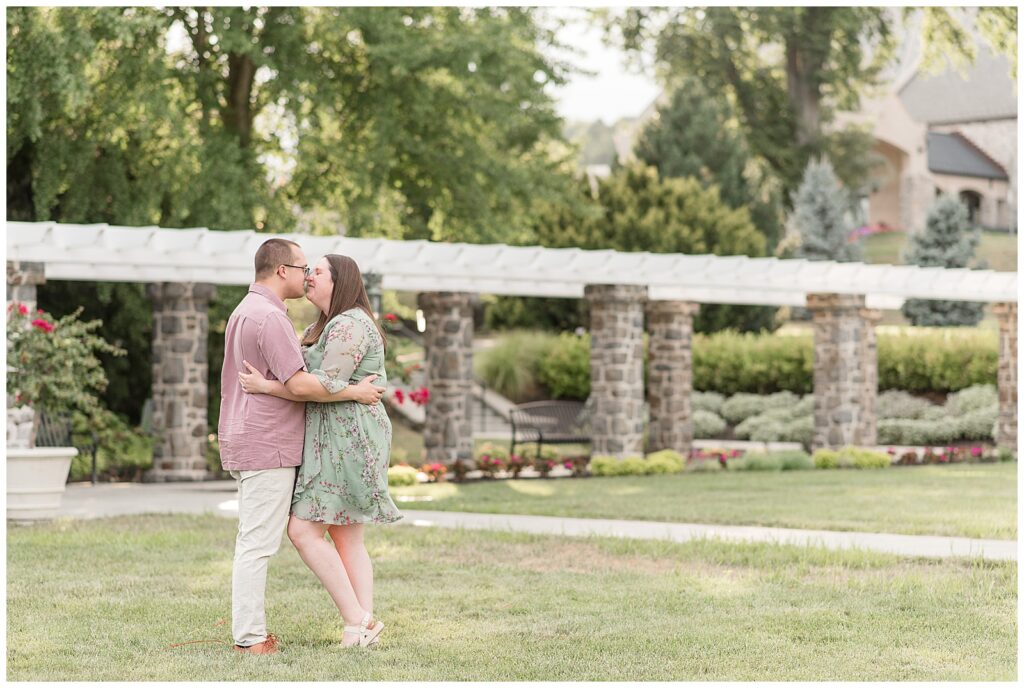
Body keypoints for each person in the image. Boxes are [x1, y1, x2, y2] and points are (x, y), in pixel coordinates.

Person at [219, 239, 385, 655]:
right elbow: (302, 385)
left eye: (317, 270)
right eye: (304, 267)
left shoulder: (248, 311)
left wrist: (345, 392)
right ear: (281, 271)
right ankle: (254, 638)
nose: (307, 274)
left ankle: (359, 625)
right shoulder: (271, 317)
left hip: (326, 440)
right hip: (273, 441)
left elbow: (310, 383)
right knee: (268, 541)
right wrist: (352, 392)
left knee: (333, 536)